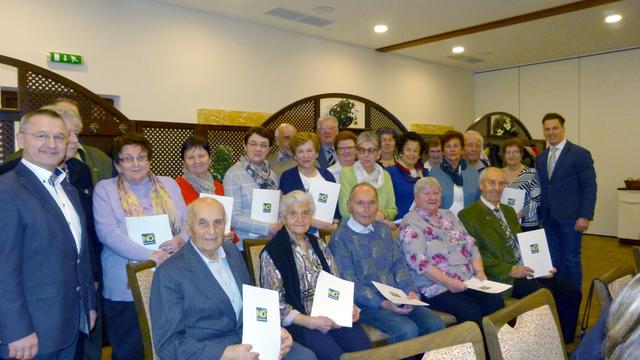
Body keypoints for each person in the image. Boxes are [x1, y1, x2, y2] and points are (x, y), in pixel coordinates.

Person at [150, 197, 316, 360]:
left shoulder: (232, 253)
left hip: (250, 341)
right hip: (210, 352)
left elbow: (253, 306)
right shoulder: (168, 274)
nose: (212, 231)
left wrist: (274, 330)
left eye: (218, 222)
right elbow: (168, 344)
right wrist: (224, 353)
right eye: (202, 223)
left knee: (306, 356)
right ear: (188, 227)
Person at [0, 105, 103, 360]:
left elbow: (80, 253)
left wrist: (88, 305)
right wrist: (16, 330)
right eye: (41, 136)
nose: (52, 143)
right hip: (30, 332)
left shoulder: (66, 188)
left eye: (59, 137)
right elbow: (4, 268)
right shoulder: (6, 190)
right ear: (21, 139)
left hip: (70, 320)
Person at [458, 167, 581, 344]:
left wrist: (540, 265)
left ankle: (563, 343)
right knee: (544, 295)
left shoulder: (508, 211)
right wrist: (511, 270)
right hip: (503, 276)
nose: (497, 187)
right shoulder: (468, 215)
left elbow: (522, 244)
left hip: (526, 269)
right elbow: (474, 255)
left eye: (501, 183)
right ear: (481, 185)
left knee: (572, 292)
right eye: (491, 182)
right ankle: (542, 345)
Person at [93, 132, 187, 359]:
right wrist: (150, 254)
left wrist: (181, 239)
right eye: (127, 158)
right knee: (129, 348)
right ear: (117, 164)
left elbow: (187, 222)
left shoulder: (169, 184)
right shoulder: (105, 189)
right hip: (125, 283)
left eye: (141, 157)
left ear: (149, 160)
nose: (136, 163)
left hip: (170, 279)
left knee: (169, 344)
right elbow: (108, 233)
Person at [261, 191, 371, 359]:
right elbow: (275, 305)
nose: (300, 218)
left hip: (332, 313)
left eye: (305, 213)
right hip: (301, 322)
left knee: (364, 350)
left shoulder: (318, 243)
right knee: (333, 355)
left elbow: (336, 280)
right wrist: (310, 321)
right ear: (283, 218)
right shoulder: (272, 252)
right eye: (293, 213)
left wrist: (350, 306)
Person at [329, 183, 445, 344]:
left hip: (397, 297)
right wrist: (382, 303)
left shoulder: (383, 230)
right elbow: (349, 282)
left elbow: (399, 264)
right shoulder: (340, 238)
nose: (367, 209)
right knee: (407, 330)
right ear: (349, 206)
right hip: (367, 304)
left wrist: (410, 291)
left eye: (372, 203)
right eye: (360, 203)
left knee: (435, 324)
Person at [398, 177, 504, 326]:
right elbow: (419, 262)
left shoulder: (448, 215)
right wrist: (448, 282)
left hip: (467, 281)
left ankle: (495, 347)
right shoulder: (411, 221)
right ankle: (478, 349)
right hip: (435, 286)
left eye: (436, 193)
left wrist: (479, 272)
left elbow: (470, 244)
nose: (432, 197)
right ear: (416, 197)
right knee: (471, 312)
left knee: (495, 301)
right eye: (427, 193)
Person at [535, 113, 597, 288]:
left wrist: (585, 215)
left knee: (571, 259)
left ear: (563, 128)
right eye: (547, 129)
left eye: (555, 128)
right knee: (553, 259)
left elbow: (589, 187)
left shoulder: (580, 154)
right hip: (548, 218)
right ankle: (559, 295)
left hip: (572, 218)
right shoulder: (540, 158)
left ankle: (573, 298)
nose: (551, 132)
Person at [224, 127, 282, 249]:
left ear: (269, 149)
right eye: (253, 144)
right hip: (245, 245)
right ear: (245, 146)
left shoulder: (272, 176)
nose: (258, 149)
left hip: (272, 242)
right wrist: (268, 228)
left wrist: (279, 224)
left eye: (263, 145)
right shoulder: (233, 174)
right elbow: (234, 217)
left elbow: (276, 209)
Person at [279, 132, 340, 233]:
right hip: (298, 235)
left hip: (328, 235)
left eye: (309, 151)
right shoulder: (287, 177)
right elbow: (287, 212)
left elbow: (336, 210)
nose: (305, 156)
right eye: (300, 151)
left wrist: (335, 224)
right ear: (295, 156)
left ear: (316, 153)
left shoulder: (328, 176)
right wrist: (319, 224)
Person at [338, 131, 397, 227]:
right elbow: (345, 210)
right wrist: (376, 219)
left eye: (371, 150)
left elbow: (393, 210)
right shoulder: (346, 173)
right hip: (351, 230)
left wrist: (383, 215)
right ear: (357, 152)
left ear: (378, 153)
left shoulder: (386, 176)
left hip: (379, 230)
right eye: (362, 150)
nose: (366, 154)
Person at [429, 130, 480, 216]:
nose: (452, 150)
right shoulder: (434, 173)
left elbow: (478, 202)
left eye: (456, 146)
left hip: (468, 222)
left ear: (462, 150)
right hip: (442, 222)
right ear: (443, 150)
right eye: (448, 146)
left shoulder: (474, 173)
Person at [386, 131, 428, 220]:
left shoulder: (425, 174)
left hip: (422, 224)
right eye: (408, 150)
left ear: (419, 155)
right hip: (398, 224)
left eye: (415, 151)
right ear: (401, 151)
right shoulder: (390, 173)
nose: (412, 154)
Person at [502, 138, 541, 232]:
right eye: (508, 152)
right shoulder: (498, 174)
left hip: (528, 224)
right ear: (504, 155)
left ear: (521, 154)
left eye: (516, 152)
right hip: (504, 223)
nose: (512, 155)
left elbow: (537, 199)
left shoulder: (532, 173)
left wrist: (520, 214)